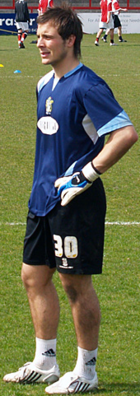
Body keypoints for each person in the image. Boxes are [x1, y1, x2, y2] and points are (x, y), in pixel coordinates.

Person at [3, 4, 138, 394]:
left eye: (48, 37)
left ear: (71, 40)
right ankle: (45, 362)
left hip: (75, 202)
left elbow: (125, 134)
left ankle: (86, 371)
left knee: (75, 285)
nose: (40, 43)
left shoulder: (87, 84)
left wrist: (86, 174)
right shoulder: (44, 83)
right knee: (33, 277)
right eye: (39, 36)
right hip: (41, 197)